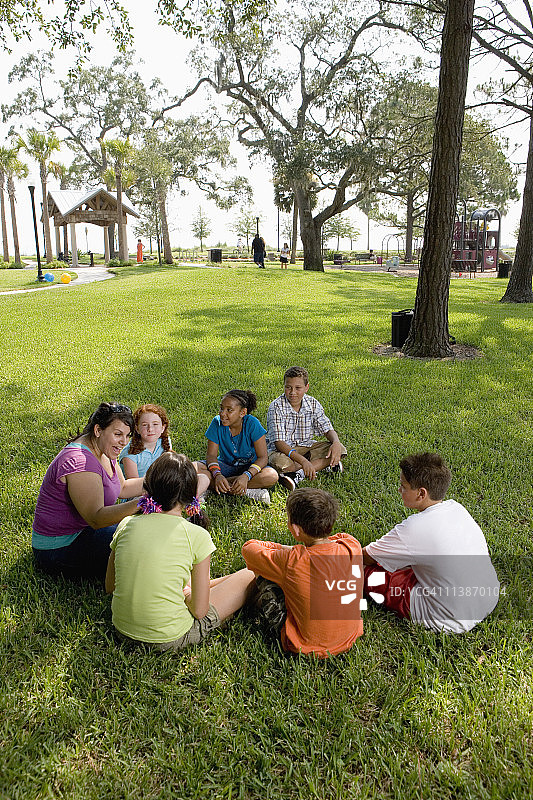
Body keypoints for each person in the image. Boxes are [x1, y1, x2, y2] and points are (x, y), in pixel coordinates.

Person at [106, 452, 256, 651]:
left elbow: (110, 586)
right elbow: (199, 611)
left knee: (195, 582)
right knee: (250, 574)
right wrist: (186, 594)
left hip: (122, 630)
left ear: (147, 487)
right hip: (169, 638)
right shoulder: (196, 535)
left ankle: (192, 589)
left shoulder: (126, 524)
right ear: (191, 495)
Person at [362, 453, 500, 634]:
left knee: (364, 571)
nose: (399, 490)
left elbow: (365, 557)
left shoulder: (413, 528)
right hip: (488, 599)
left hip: (447, 617)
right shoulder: (457, 509)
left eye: (403, 486)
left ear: (421, 493)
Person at [242, 488, 364, 657]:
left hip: (303, 646)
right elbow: (337, 539)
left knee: (262, 570)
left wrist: (285, 549)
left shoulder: (292, 560)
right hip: (348, 638)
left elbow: (249, 548)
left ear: (296, 529)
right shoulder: (352, 545)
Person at [32, 402, 145, 583]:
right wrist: (144, 503)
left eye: (127, 435)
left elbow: (123, 487)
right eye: (118, 434)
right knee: (140, 539)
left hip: (85, 530)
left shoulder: (104, 449)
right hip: (59, 548)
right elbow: (96, 518)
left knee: (143, 529)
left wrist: (163, 480)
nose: (124, 442)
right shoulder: (80, 462)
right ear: (98, 430)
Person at [266, 366, 347, 491]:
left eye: (298, 388)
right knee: (280, 463)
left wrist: (335, 442)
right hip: (283, 451)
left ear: (306, 387)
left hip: (306, 446)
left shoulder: (312, 403)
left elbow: (327, 429)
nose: (292, 392)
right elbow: (279, 444)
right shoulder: (276, 407)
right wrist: (304, 462)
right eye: (288, 387)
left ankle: (298, 474)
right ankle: (318, 465)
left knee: (340, 449)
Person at [194, 390, 279, 506]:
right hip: (225, 466)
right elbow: (211, 456)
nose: (222, 413)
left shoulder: (252, 424)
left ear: (242, 412)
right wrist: (217, 475)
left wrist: (246, 476)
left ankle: (211, 486)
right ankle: (246, 491)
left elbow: (263, 458)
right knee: (192, 468)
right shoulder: (217, 423)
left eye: (229, 410)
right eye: (221, 408)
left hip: (250, 468)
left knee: (271, 475)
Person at [120, 404, 172, 480]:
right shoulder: (130, 455)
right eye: (145, 425)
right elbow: (133, 484)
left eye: (155, 424)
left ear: (162, 428)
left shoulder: (164, 442)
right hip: (139, 486)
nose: (150, 429)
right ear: (137, 429)